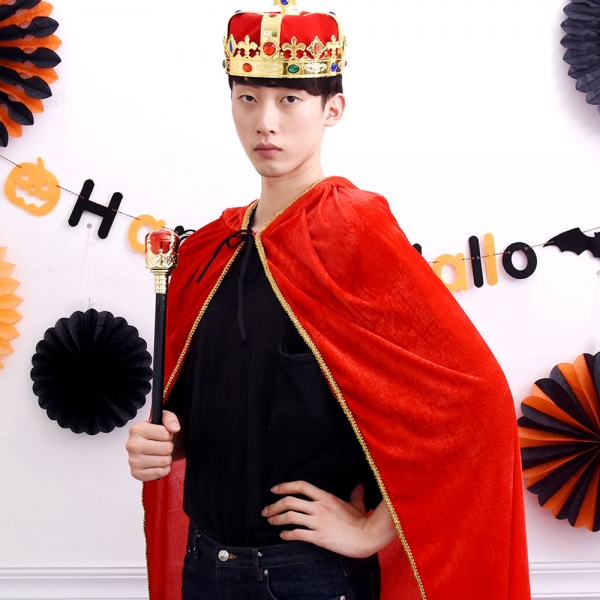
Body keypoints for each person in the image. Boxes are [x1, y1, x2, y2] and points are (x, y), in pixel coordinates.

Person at [126, 2, 532, 599]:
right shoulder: (211, 250)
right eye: (248, 98)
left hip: (311, 577)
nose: (266, 122)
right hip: (206, 564)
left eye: (290, 99)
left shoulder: (354, 233)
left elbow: (478, 405)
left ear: (332, 109)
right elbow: (207, 409)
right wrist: (163, 441)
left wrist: (372, 531)